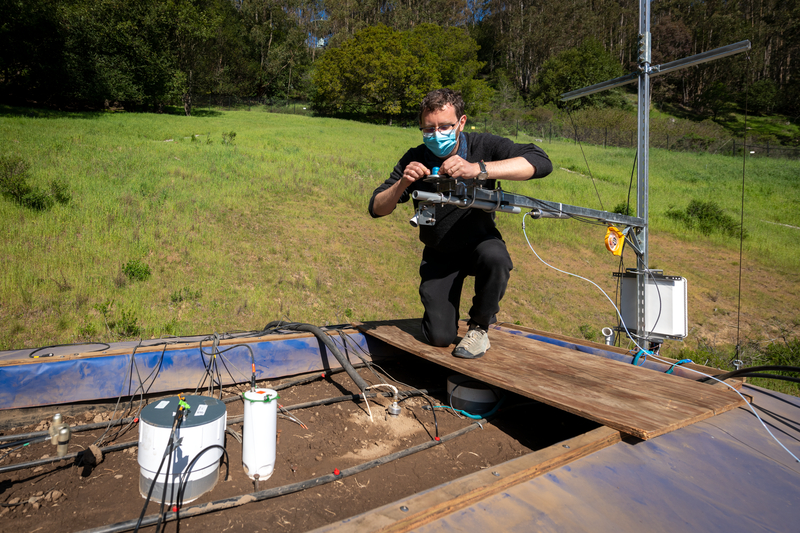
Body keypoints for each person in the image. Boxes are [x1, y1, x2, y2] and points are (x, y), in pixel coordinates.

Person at [368, 89, 552, 359]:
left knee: (496, 259)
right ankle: (442, 317)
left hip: (480, 241)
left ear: (461, 122)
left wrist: (479, 168)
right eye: (429, 128)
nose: (437, 133)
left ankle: (479, 327)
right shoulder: (415, 157)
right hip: (439, 252)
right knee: (439, 338)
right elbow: (377, 208)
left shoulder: (484, 146)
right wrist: (403, 183)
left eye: (444, 126)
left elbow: (540, 162)